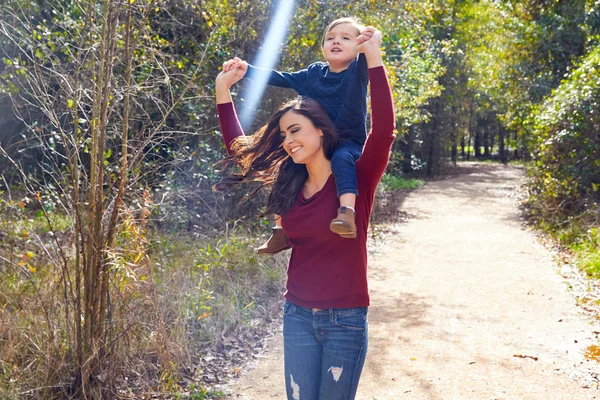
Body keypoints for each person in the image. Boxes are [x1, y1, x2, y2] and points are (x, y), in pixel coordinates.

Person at [214, 27, 395, 400]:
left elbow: (384, 129)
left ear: (320, 129)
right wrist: (223, 90)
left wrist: (373, 57)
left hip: (345, 319)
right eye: (282, 134)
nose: (287, 140)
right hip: (297, 314)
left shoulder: (358, 175)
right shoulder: (290, 182)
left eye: (295, 130)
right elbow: (240, 150)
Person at [222, 17, 374, 254]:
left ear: (358, 47)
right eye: (330, 38)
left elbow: (370, 55)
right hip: (316, 142)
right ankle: (280, 230)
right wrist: (247, 70)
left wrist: (371, 41)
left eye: (346, 38)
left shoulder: (357, 70)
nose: (336, 41)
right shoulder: (313, 74)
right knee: (286, 170)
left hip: (347, 142)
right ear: (322, 48)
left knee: (342, 159)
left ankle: (346, 213)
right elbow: (281, 77)